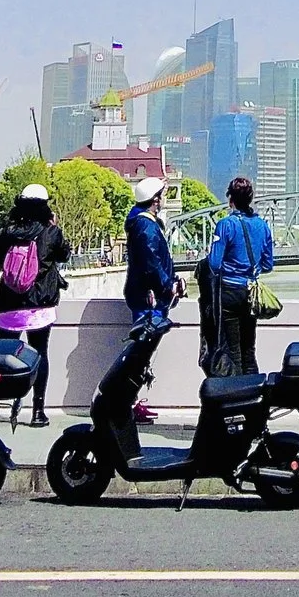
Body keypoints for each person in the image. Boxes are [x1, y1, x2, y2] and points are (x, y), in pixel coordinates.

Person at [0, 183, 73, 427]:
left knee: (3, 355)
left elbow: (0, 261)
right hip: (40, 304)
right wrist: (53, 226)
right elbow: (64, 255)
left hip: (9, 303)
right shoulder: (51, 232)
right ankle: (37, 411)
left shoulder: (5, 232)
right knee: (40, 354)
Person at [206, 175, 276, 379]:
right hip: (251, 293)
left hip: (229, 291)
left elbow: (214, 264)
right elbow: (268, 265)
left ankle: (236, 393)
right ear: (250, 199)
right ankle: (254, 392)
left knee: (233, 351)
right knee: (249, 349)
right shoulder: (262, 226)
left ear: (230, 199)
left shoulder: (225, 225)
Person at [121, 177, 180, 422]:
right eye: (162, 195)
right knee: (141, 351)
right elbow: (151, 263)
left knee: (141, 351)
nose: (164, 198)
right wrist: (168, 285)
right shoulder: (146, 227)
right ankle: (128, 403)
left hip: (146, 296)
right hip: (149, 299)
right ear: (155, 199)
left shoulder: (141, 222)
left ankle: (131, 401)